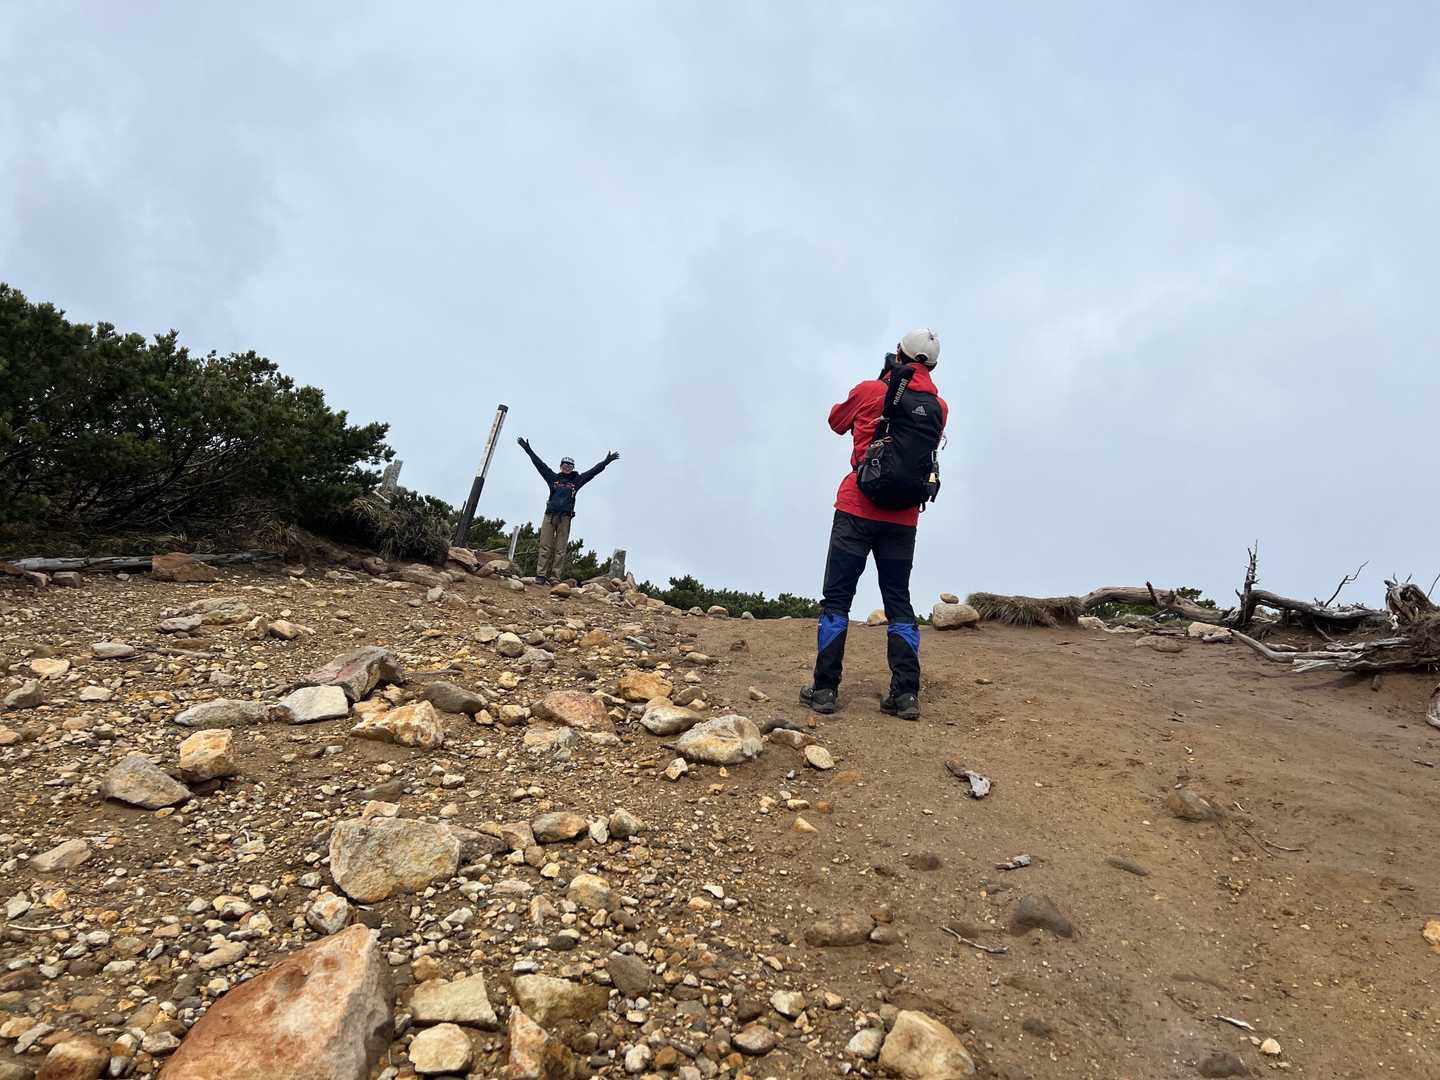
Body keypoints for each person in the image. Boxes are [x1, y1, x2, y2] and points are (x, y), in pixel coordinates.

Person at [800, 328, 948, 721]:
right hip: (904, 518)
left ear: (897, 354)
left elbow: (836, 421)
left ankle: (825, 689)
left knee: (837, 599)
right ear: (933, 365)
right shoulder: (940, 406)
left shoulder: (870, 391)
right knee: (898, 601)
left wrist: (880, 385)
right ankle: (906, 694)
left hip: (856, 508)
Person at [517, 438, 619, 583]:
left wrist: (606, 462)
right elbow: (539, 465)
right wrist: (528, 449)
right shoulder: (553, 478)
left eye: (570, 465)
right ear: (561, 466)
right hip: (550, 516)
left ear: (573, 468)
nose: (567, 467)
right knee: (545, 546)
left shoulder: (576, 481)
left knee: (560, 549)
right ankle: (541, 575)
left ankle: (555, 577)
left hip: (565, 518)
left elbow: (593, 472)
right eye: (565, 465)